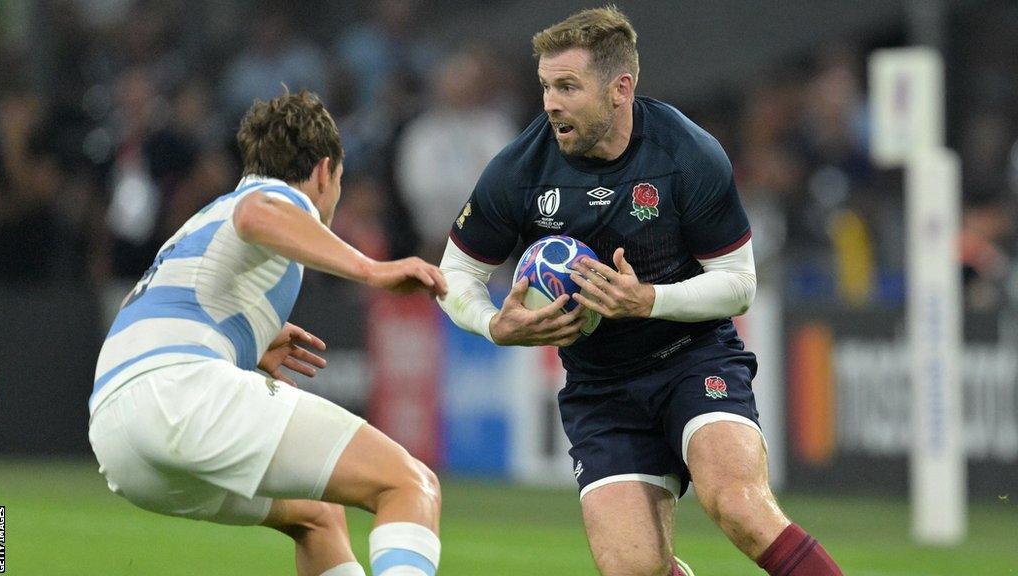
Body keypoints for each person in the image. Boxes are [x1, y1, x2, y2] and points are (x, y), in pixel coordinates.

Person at [438, 7, 843, 576]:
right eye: (546, 86)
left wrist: (647, 299)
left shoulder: (687, 155)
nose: (551, 102)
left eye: (568, 86)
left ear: (620, 88)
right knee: (633, 568)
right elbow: (454, 274)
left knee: (740, 508)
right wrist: (492, 324)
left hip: (693, 358)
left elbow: (740, 284)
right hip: (600, 389)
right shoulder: (518, 171)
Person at [89, 90, 446, 576]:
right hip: (176, 392)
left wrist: (249, 339)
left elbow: (179, 302)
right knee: (409, 484)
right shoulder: (272, 199)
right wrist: (370, 269)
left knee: (315, 513)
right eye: (338, 180)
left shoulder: (202, 220)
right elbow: (259, 215)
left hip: (117, 435)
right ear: (324, 171)